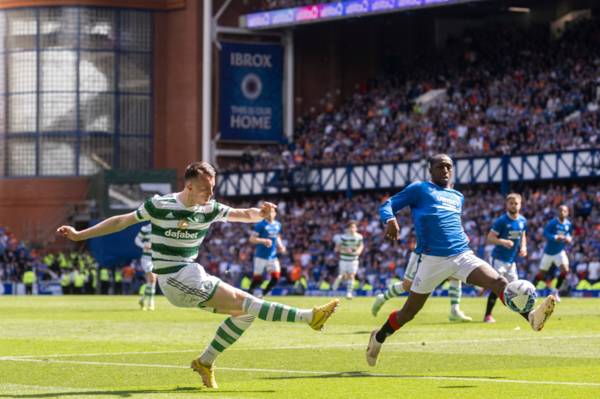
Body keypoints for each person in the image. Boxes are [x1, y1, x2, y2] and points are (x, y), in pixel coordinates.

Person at [57, 161, 339, 389]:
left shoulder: (209, 208)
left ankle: (205, 362)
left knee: (245, 313)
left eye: (213, 188)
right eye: (205, 189)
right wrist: (81, 234)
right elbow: (121, 221)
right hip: (174, 278)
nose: (211, 194)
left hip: (191, 273)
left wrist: (261, 212)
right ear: (189, 186)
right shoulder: (160, 205)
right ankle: (308, 317)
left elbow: (243, 214)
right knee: (247, 302)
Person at [366, 154, 556, 367]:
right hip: (431, 260)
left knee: (499, 282)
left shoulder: (457, 196)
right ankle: (379, 337)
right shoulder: (419, 189)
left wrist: (462, 235)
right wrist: (390, 219)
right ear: (431, 170)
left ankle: (531, 317)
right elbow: (388, 204)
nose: (445, 170)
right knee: (409, 312)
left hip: (461, 255)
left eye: (449, 166)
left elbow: (451, 221)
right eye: (440, 166)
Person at [371, 250, 472, 321]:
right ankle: (383, 298)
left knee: (455, 276)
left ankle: (454, 310)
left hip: (443, 252)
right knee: (407, 285)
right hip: (424, 251)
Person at [484, 193, 527, 322]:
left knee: (515, 287)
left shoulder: (522, 221)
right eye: (511, 203)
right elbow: (490, 238)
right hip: (498, 259)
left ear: (520, 205)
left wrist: (523, 247)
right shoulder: (501, 221)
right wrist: (504, 242)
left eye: (516, 203)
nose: (514, 205)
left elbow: (523, 235)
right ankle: (488, 315)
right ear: (507, 205)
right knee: (498, 286)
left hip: (511, 261)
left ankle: (524, 312)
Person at [532, 205, 573, 302]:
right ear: (558, 212)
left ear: (567, 213)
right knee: (541, 274)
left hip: (559, 252)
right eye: (560, 210)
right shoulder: (552, 223)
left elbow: (569, 234)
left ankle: (555, 291)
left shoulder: (568, 224)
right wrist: (555, 237)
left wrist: (569, 238)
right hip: (549, 253)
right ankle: (531, 292)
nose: (562, 212)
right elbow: (545, 233)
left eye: (564, 211)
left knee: (565, 270)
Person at [248, 206, 285, 297]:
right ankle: (248, 295)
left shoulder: (278, 225)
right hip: (260, 256)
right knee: (257, 279)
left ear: (275, 213)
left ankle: (262, 294)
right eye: (268, 212)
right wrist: (263, 241)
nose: (270, 213)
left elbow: (277, 236)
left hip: (272, 256)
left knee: (276, 277)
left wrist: (280, 245)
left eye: (272, 211)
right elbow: (252, 239)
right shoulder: (260, 225)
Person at [332, 221, 364, 299]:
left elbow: (361, 245)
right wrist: (346, 249)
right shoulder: (343, 237)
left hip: (354, 260)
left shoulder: (359, 237)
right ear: (348, 228)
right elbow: (336, 248)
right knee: (344, 275)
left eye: (354, 227)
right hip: (344, 259)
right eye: (351, 227)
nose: (353, 229)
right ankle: (340, 278)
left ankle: (349, 293)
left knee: (352, 275)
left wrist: (359, 251)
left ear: (356, 228)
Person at [135, 223, 157, 310]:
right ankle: (151, 303)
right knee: (152, 278)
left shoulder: (164, 226)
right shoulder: (145, 228)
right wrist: (144, 245)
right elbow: (137, 240)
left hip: (157, 259)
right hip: (147, 258)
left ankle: (143, 299)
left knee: (152, 282)